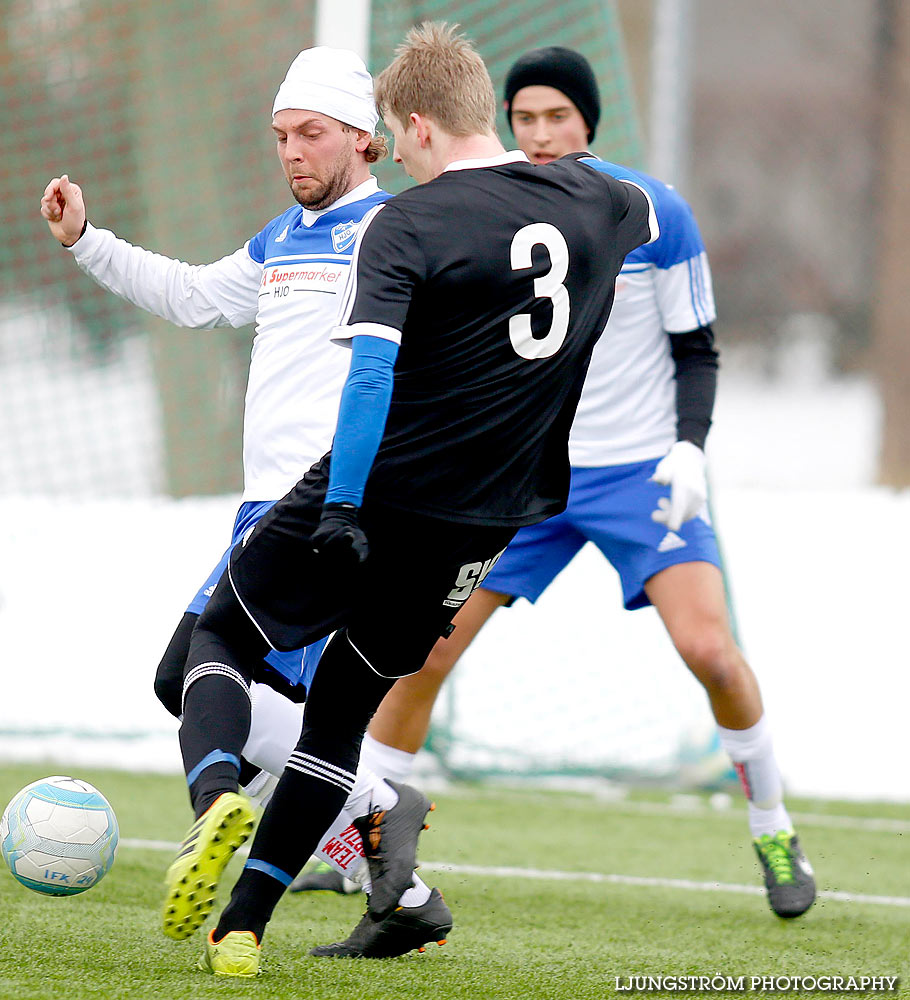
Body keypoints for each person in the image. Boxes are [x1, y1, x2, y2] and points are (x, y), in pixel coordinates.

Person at [173, 22, 659, 976]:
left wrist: (343, 505)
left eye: (396, 135)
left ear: (423, 126)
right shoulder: (599, 199)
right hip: (487, 522)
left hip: (384, 491)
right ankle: (241, 929)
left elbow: (368, 381)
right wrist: (546, 170)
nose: (395, 154)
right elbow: (645, 204)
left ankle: (216, 796)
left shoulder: (411, 222)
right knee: (341, 718)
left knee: (215, 638)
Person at [357, 45, 816, 922]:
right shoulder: (488, 215)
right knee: (425, 653)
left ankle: (771, 820)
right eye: (523, 117)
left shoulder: (647, 213)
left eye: (556, 117)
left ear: (589, 123)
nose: (539, 134)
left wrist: (688, 450)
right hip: (528, 477)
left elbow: (698, 347)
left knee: (711, 653)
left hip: (642, 476)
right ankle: (365, 849)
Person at [41, 47, 452, 959]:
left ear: (363, 137)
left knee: (205, 672)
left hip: (329, 509)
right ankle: (390, 846)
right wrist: (88, 242)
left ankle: (256, 808)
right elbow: (190, 297)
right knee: (199, 683)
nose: (293, 153)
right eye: (280, 137)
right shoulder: (280, 239)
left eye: (311, 134)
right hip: (261, 512)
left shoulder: (396, 230)